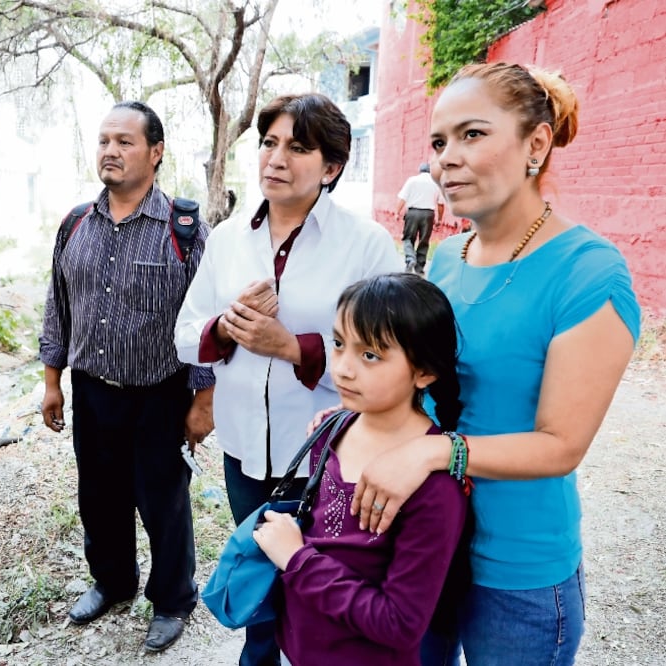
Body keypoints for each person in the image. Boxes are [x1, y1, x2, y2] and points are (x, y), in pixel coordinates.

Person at [341, 63, 640, 665]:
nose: (445, 159)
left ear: (536, 144)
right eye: (438, 142)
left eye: (472, 135)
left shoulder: (589, 273)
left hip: (516, 567)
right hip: (423, 542)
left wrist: (432, 452)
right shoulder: (449, 257)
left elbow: (560, 444)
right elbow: (424, 382)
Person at [174, 92, 400, 666]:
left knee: (320, 594)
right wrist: (225, 327)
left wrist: (293, 347)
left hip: (331, 457)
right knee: (259, 588)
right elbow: (186, 330)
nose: (276, 158)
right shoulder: (227, 237)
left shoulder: (366, 244)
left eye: (298, 147)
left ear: (330, 167)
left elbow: (389, 352)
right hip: (244, 451)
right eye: (269, 143)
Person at [39, 100, 214, 653]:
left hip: (160, 393)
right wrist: (51, 381)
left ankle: (172, 599)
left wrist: (202, 399)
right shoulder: (74, 226)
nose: (110, 151)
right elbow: (58, 307)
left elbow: (205, 319)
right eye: (104, 141)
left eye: (125, 141)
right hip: (92, 391)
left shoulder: (183, 229)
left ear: (155, 152)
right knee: (100, 497)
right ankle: (113, 582)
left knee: (163, 500)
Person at [253, 272, 469, 665]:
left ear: (424, 372)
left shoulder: (433, 487)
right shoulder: (331, 429)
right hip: (297, 647)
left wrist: (296, 559)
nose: (344, 369)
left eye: (370, 355)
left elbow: (401, 623)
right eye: (338, 344)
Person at [395, 163, 445, 275]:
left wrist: (397, 212)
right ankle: (419, 267)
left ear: (420, 170)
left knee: (408, 238)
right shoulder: (436, 183)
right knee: (424, 240)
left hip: (413, 213)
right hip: (428, 214)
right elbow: (441, 204)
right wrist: (439, 219)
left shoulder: (412, 180)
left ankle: (410, 258)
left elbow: (402, 197)